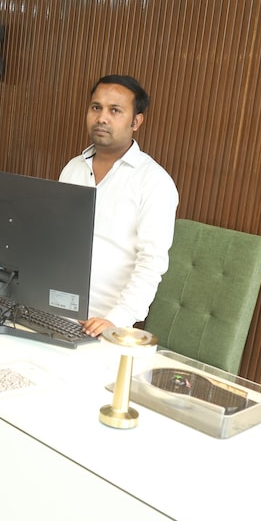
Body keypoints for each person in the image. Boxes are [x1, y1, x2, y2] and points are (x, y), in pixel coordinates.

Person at [59, 75, 179, 337]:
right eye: (96, 107)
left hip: (101, 323)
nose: (102, 118)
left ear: (136, 122)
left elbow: (151, 263)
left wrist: (116, 319)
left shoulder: (154, 182)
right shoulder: (73, 169)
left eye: (115, 110)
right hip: (53, 309)